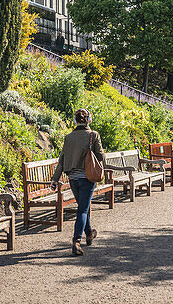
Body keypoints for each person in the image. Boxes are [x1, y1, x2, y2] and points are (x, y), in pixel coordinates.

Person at [50, 108, 104, 255]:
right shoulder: (93, 135)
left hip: (73, 179)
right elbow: (100, 157)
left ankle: (89, 233)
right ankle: (76, 241)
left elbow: (61, 161)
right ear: (88, 120)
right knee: (83, 210)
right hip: (87, 178)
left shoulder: (68, 137)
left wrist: (54, 179)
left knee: (82, 207)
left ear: (75, 121)